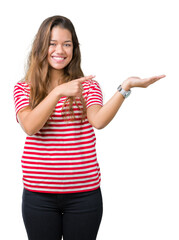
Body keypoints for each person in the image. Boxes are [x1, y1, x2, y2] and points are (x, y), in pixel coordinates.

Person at [13, 15, 165, 240]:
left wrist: (125, 87)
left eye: (67, 44)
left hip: (84, 196)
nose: (60, 50)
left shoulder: (88, 86)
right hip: (38, 196)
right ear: (41, 46)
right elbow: (30, 126)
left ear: (74, 48)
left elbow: (99, 121)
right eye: (52, 43)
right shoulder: (24, 88)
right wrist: (57, 92)